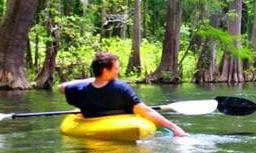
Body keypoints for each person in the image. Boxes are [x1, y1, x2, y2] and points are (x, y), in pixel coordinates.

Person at [58, 52, 187, 137]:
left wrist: (93, 79)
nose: (118, 71)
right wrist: (174, 127)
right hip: (121, 123)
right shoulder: (121, 88)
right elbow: (146, 111)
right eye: (116, 68)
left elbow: (61, 87)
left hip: (93, 124)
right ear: (105, 71)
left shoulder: (78, 89)